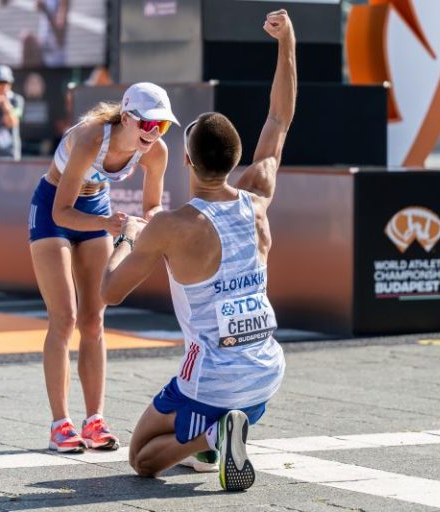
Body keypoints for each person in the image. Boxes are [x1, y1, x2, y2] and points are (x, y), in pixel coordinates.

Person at [101, 10, 296, 491]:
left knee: (143, 457)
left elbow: (109, 291)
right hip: (265, 373)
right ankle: (218, 439)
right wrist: (287, 43)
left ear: (186, 159)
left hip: (214, 379)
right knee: (198, 416)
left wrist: (128, 233)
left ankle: (211, 434)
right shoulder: (257, 196)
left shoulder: (170, 226)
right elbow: (279, 117)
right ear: (235, 160)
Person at [29, 82, 179, 453]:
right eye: (148, 125)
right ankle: (59, 423)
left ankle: (94, 419)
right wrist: (110, 226)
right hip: (54, 209)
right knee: (63, 317)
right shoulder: (91, 138)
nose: (154, 134)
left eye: (162, 127)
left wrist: (156, 229)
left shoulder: (155, 151)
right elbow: (61, 211)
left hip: (97, 209)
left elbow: (152, 207)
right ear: (127, 118)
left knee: (94, 319)